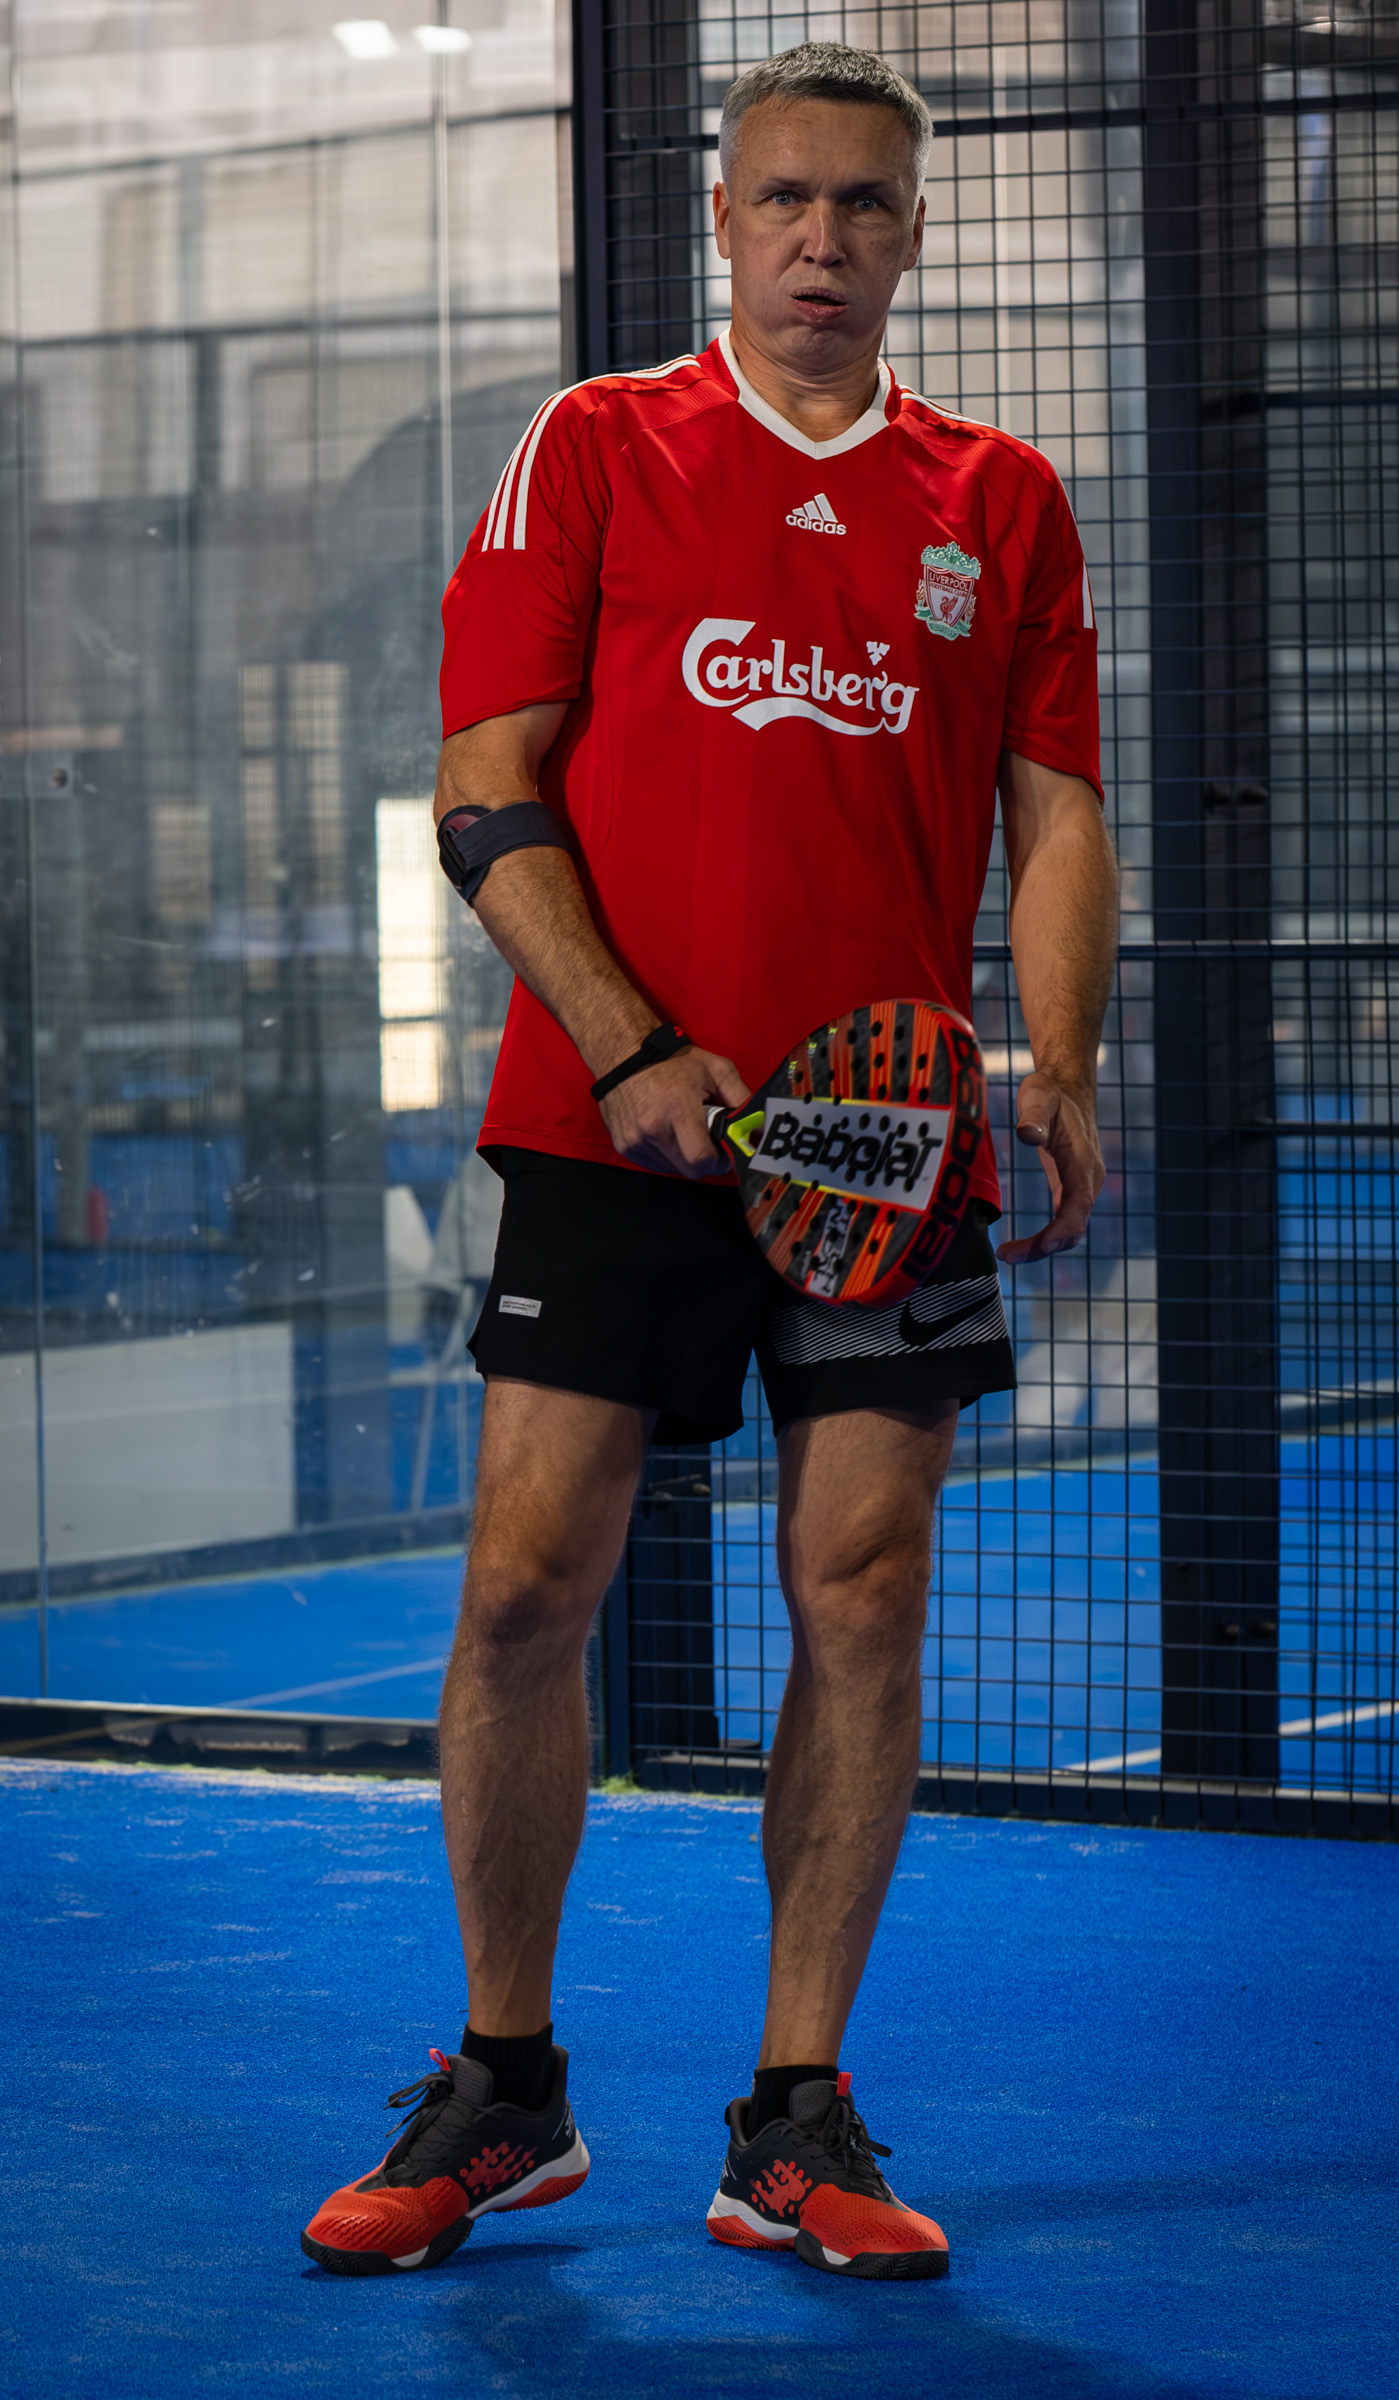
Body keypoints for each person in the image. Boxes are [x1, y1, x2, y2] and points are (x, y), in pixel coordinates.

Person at [302, 39, 1117, 2283]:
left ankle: (794, 2116)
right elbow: (486, 784)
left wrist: (1058, 1056)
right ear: (725, 218)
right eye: (784, 198)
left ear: (913, 233)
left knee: (865, 1593)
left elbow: (1057, 804)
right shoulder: (595, 446)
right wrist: (631, 1044)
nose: (821, 239)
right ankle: (503, 2087)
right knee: (522, 1590)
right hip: (612, 1130)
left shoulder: (1001, 501)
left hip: (887, 1146)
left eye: (864, 203)